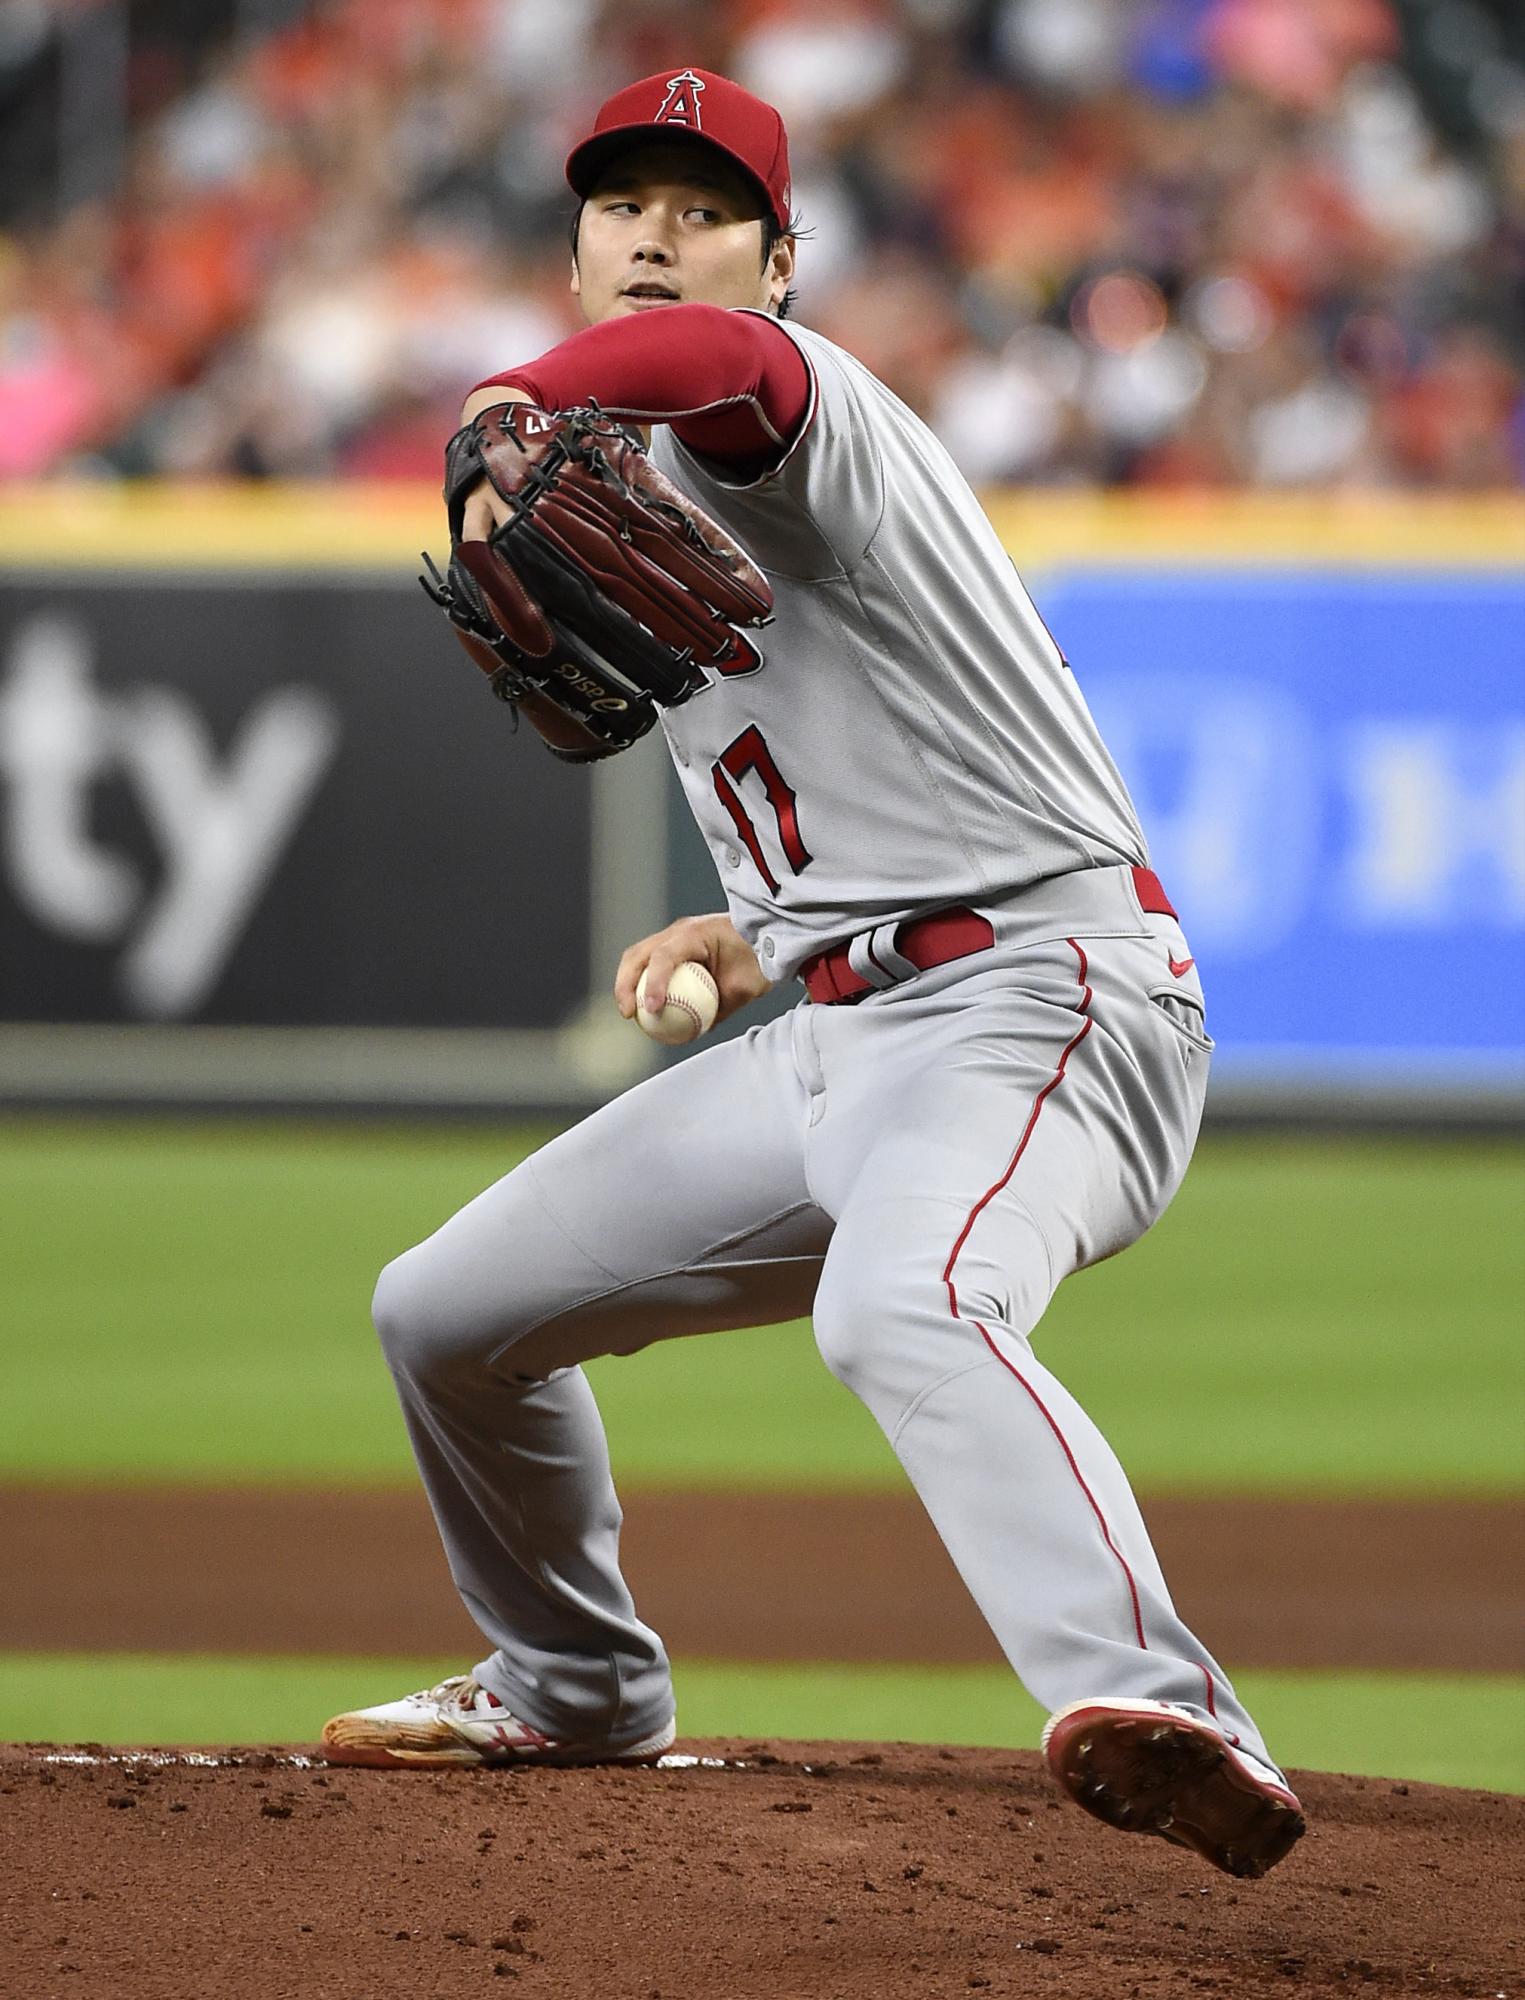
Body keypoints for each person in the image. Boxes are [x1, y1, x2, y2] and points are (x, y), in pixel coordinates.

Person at [322, 67, 1305, 1879]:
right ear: (574, 241)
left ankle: (1169, 1707)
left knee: (902, 1307)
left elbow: (736, 377)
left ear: (779, 262)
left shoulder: (794, 400)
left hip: (1044, 1000)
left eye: (701, 213)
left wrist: (507, 396)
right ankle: (572, 1680)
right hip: (843, 1031)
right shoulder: (627, 475)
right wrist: (754, 933)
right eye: (620, 206)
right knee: (444, 1317)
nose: (654, 237)